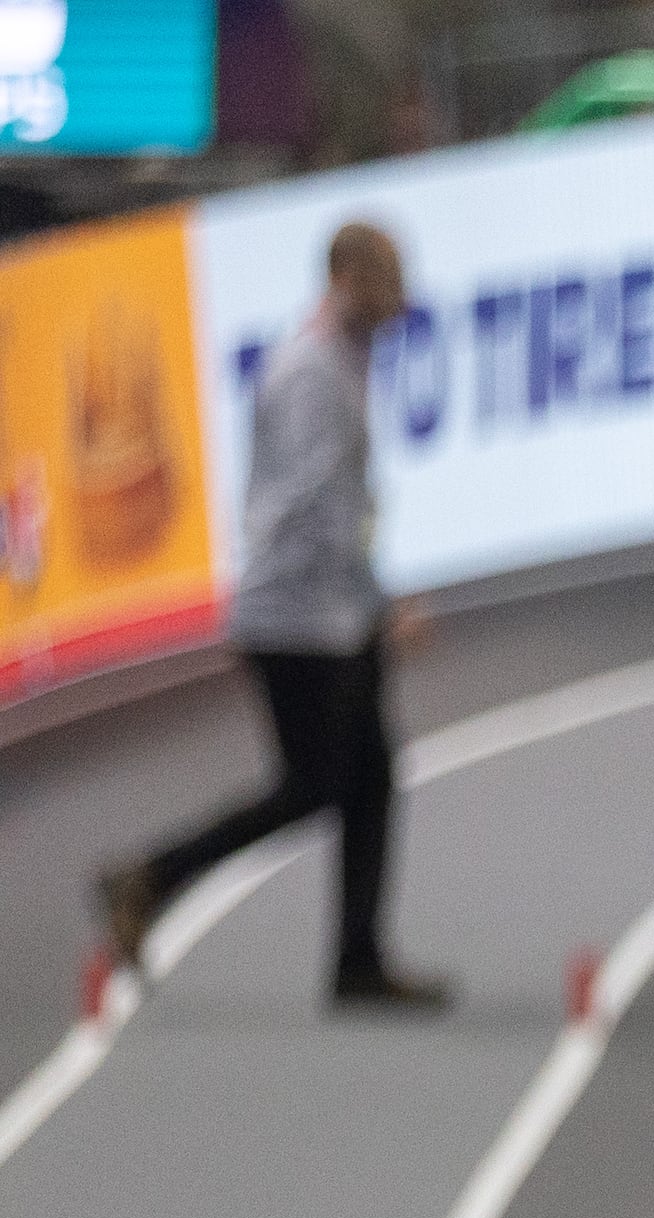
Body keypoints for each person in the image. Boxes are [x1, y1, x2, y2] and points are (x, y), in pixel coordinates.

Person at [99, 220, 449, 1013]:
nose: (402, 300)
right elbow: (320, 509)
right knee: (317, 783)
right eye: (388, 281)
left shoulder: (343, 359)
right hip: (298, 618)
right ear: (346, 279)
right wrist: (380, 602)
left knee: (368, 779)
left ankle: (357, 957)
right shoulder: (313, 374)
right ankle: (151, 875)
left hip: (327, 611)